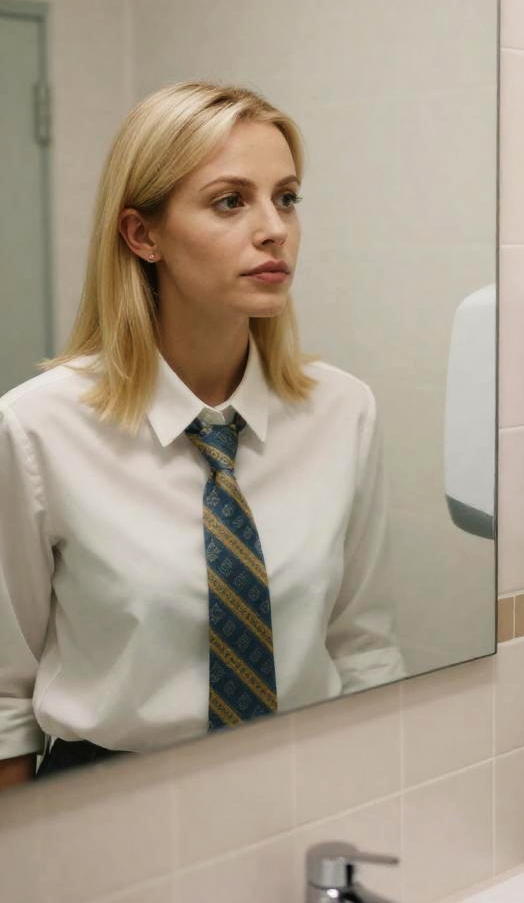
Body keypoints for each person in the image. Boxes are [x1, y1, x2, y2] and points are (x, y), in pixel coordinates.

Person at [0, 81, 404, 789]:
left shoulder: (344, 412)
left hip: (305, 779)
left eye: (286, 198)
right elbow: (4, 700)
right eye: (229, 201)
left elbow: (363, 645)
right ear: (142, 235)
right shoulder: (38, 429)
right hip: (107, 799)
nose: (274, 229)